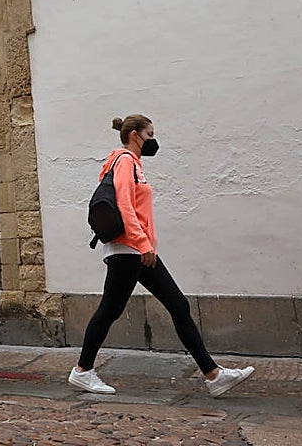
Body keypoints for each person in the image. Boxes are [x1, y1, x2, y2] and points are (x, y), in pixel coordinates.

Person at [68, 114, 255, 397]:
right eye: (150, 134)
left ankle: (213, 375)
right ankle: (82, 371)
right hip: (129, 249)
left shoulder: (133, 164)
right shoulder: (124, 161)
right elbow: (125, 206)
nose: (153, 140)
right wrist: (144, 245)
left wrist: (145, 245)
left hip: (134, 249)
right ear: (135, 135)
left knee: (172, 305)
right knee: (114, 309)